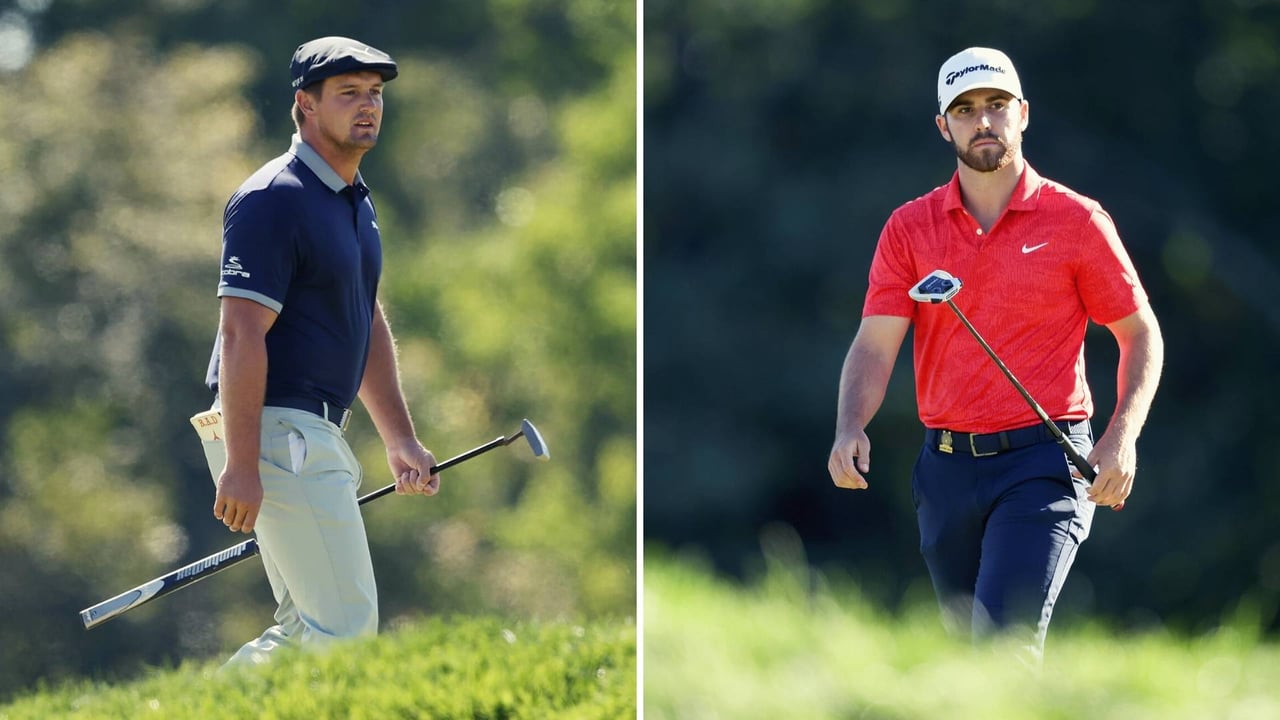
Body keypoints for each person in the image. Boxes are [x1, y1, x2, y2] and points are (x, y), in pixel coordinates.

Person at [826, 47, 1163, 657]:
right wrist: (850, 425)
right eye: (964, 109)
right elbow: (875, 345)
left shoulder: (1077, 221)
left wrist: (1121, 436)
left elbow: (1141, 334)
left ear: (1023, 114)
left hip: (1045, 464)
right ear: (943, 126)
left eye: (996, 105)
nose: (983, 121)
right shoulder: (909, 228)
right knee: (965, 664)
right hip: (945, 469)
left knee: (1004, 647)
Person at [196, 36, 440, 667]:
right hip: (276, 429)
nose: (368, 107)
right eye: (349, 94)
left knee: (308, 632)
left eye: (375, 94)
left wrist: (399, 437)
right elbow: (240, 334)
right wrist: (243, 464)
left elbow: (364, 318)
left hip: (304, 433)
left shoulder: (354, 202)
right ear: (305, 105)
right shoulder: (274, 198)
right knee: (344, 629)